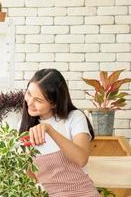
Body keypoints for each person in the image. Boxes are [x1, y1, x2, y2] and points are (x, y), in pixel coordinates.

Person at [19, 69, 99, 197]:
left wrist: (49, 129)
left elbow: (81, 159)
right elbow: (33, 177)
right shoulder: (25, 127)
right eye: (28, 93)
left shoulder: (74, 117)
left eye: (38, 100)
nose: (30, 103)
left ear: (54, 103)